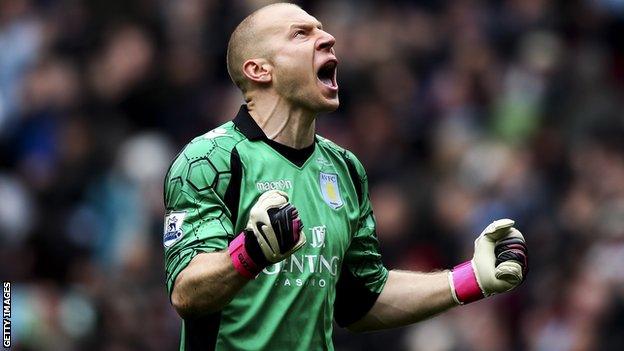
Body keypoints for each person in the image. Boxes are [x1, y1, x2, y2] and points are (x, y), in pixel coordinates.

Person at [162, 3, 529, 350]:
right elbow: (185, 293)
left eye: (322, 30)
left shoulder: (344, 168)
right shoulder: (209, 159)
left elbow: (362, 301)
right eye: (301, 34)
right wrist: (250, 253)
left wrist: (472, 279)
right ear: (259, 70)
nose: (328, 38)